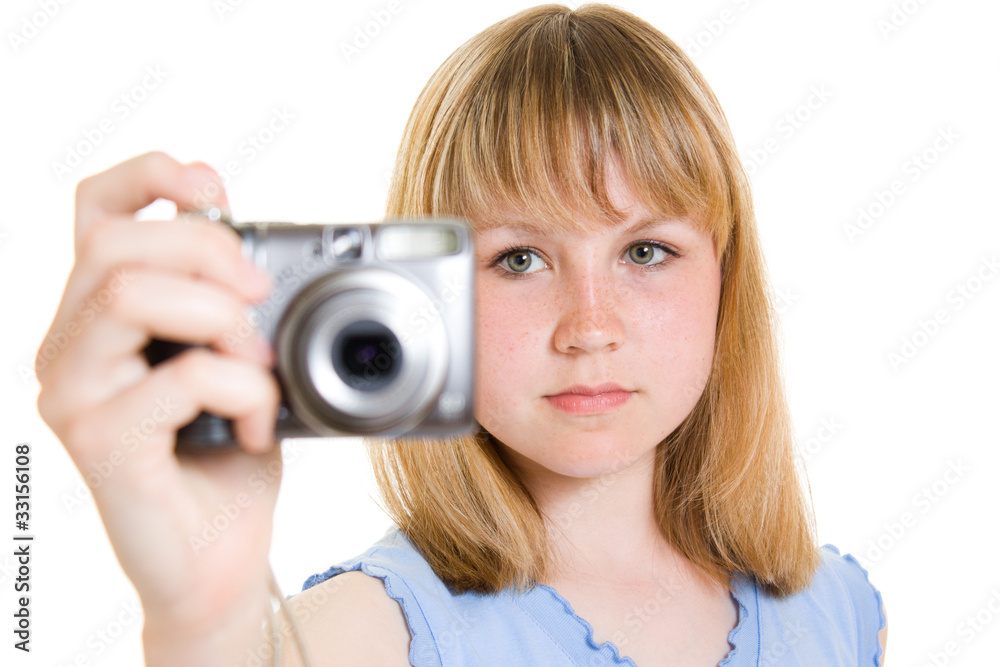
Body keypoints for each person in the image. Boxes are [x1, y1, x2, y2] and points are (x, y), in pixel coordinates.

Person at [36, 3, 887, 666]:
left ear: (725, 282)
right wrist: (201, 623)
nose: (590, 326)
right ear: (426, 295)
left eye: (646, 250)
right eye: (518, 258)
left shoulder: (841, 608)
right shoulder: (363, 637)